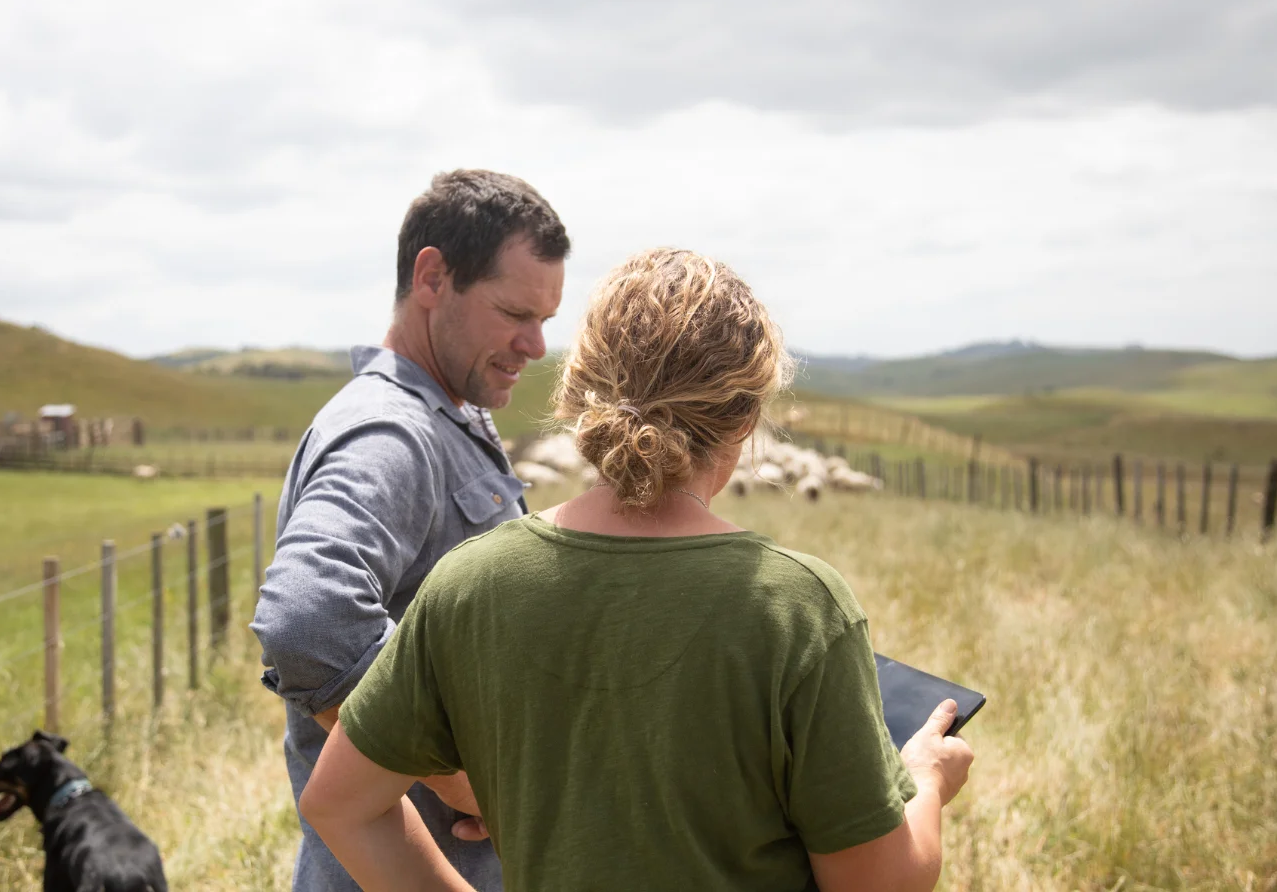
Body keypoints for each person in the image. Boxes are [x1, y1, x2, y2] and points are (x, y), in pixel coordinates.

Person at [298, 248, 976, 891]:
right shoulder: (800, 606)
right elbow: (879, 882)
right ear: (745, 416)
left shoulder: (470, 584)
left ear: (581, 388)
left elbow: (341, 806)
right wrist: (926, 780)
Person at [250, 169, 570, 891]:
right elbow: (306, 621)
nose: (537, 344)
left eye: (546, 318)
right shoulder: (387, 434)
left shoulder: (447, 413)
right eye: (515, 312)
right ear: (433, 277)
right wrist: (457, 774)